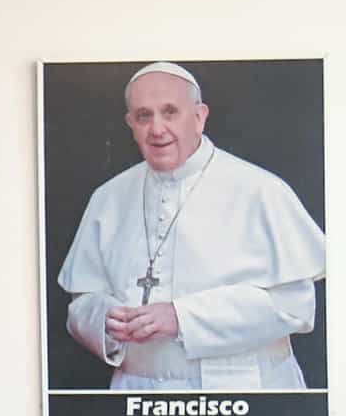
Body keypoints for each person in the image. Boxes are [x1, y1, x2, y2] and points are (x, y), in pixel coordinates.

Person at [58, 61, 325, 390]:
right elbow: (80, 301)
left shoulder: (260, 190)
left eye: (170, 112)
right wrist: (105, 321)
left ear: (199, 117)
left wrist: (181, 317)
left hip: (243, 388)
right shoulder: (108, 198)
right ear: (131, 123)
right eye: (144, 115)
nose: (157, 129)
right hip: (137, 390)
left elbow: (295, 307)